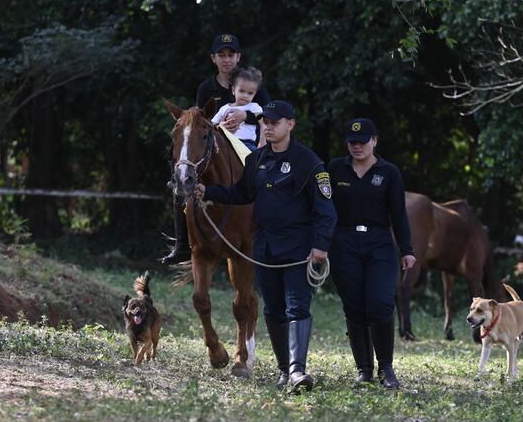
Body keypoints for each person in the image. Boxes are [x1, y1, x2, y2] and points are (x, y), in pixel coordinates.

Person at [194, 100, 337, 392]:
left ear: (290, 124)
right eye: (265, 122)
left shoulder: (310, 163)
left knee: (297, 307)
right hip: (266, 249)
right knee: (273, 309)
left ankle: (298, 371)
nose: (268, 127)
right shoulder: (256, 160)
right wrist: (207, 190)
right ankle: (284, 371)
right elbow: (241, 193)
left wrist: (320, 246)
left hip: (298, 249)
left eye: (274, 122)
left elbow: (326, 210)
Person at [162, 33, 271, 265]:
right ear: (214, 58)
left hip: (247, 146)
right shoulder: (206, 88)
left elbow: (270, 114)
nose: (227, 59)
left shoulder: (252, 85)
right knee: (181, 174)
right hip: (213, 148)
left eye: (231, 54)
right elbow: (198, 122)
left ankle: (269, 234)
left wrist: (246, 115)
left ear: (238, 57)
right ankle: (182, 243)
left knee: (268, 179)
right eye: (221, 55)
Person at [327, 118, 416, 388]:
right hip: (344, 242)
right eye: (352, 142)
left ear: (374, 141)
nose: (357, 147)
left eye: (363, 142)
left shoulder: (389, 172)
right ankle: (364, 370)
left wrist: (407, 249)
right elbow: (324, 208)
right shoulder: (335, 169)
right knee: (354, 308)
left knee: (380, 304)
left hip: (379, 242)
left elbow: (399, 214)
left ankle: (386, 368)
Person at [211, 67, 264, 151]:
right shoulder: (225, 108)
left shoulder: (254, 107)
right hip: (225, 143)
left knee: (255, 161)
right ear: (233, 90)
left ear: (255, 94)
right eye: (241, 91)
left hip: (246, 144)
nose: (245, 95)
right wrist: (219, 127)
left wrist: (262, 141)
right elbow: (212, 124)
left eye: (250, 93)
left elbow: (263, 123)